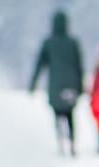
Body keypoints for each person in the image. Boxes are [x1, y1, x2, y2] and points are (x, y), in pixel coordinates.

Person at [29, 10, 84, 157]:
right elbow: (79, 66)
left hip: (55, 86)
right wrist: (81, 87)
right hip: (71, 86)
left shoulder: (49, 43)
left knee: (57, 114)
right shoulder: (73, 43)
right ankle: (72, 143)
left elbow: (39, 65)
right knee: (70, 114)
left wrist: (32, 84)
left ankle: (60, 142)